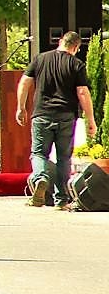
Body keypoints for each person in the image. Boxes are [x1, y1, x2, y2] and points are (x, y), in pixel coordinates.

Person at [15, 31, 97, 211]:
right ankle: (61, 200)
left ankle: (41, 178)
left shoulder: (40, 59)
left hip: (42, 114)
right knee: (63, 158)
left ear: (61, 42)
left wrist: (21, 107)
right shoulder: (76, 64)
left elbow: (24, 83)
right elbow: (82, 92)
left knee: (38, 153)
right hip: (66, 116)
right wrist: (90, 119)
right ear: (76, 47)